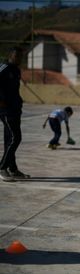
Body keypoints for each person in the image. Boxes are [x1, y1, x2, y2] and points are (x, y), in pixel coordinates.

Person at [0, 47, 30, 181]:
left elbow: (14, 89)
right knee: (16, 138)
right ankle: (2, 168)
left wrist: (19, 102)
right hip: (5, 110)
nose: (20, 59)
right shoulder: (4, 68)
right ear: (10, 56)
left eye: (21, 57)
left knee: (9, 140)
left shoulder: (16, 70)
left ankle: (12, 169)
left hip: (15, 109)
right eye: (17, 56)